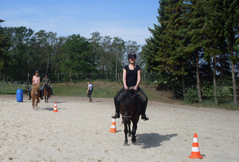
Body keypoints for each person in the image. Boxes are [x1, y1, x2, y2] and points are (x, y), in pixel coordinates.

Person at [112, 53, 149, 120]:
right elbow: (124, 77)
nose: (132, 59)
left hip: (135, 87)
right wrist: (125, 85)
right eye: (131, 58)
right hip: (127, 86)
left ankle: (143, 114)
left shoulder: (138, 68)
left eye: (133, 58)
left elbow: (139, 78)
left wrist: (136, 86)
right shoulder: (125, 67)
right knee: (115, 98)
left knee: (145, 98)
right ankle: (117, 113)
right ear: (129, 59)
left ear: (135, 59)